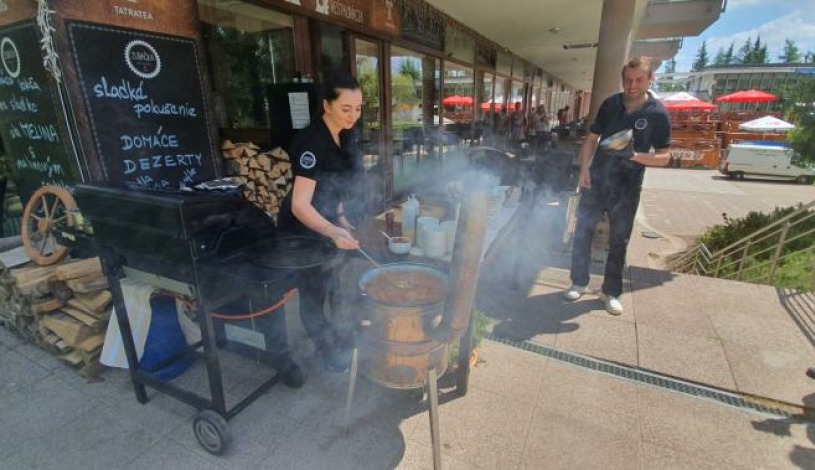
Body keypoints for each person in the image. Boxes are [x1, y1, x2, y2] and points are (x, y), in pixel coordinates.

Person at [563, 56, 671, 315]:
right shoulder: (610, 104)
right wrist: (584, 169)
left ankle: (610, 291)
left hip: (628, 184)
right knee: (583, 232)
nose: (632, 85)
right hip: (597, 179)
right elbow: (591, 139)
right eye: (627, 80)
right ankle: (578, 281)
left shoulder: (657, 113)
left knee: (619, 240)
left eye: (638, 80)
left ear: (650, 79)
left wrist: (634, 155)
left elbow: (665, 156)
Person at [278, 73, 362, 372]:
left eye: (358, 108)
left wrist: (339, 217)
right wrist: (332, 231)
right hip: (300, 228)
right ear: (327, 105)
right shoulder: (310, 142)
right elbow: (300, 205)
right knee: (312, 290)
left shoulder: (345, 134)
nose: (353, 115)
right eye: (346, 108)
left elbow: (335, 185)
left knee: (333, 280)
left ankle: (336, 333)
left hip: (325, 218)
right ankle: (325, 348)